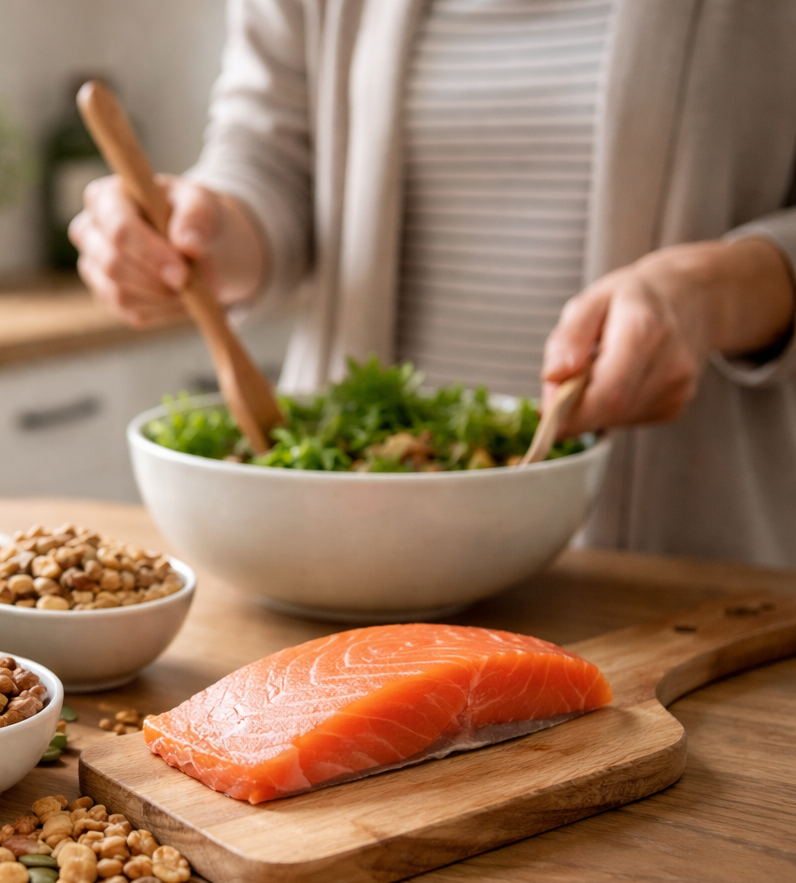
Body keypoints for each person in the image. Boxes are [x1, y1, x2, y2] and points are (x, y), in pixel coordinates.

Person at [71, 0, 796, 567]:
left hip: (687, 560)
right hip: (339, 555)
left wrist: (713, 291)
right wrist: (204, 229)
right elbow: (268, 158)